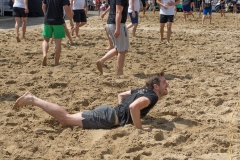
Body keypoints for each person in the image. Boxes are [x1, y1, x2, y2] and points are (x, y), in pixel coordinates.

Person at [12, 72, 169, 131]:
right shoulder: (153, 96)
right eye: (164, 83)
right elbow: (134, 106)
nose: (167, 85)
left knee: (67, 119)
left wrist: (122, 112)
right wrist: (139, 127)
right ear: (155, 86)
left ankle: (32, 99)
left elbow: (121, 96)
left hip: (109, 112)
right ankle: (32, 99)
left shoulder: (141, 90)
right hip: (107, 117)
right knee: (65, 119)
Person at [96, 0, 129, 75]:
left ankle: (101, 61)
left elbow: (112, 6)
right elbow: (118, 11)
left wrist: (104, 13)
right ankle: (120, 72)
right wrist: (118, 28)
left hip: (110, 23)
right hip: (117, 24)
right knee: (122, 50)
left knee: (118, 48)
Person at [42, 0, 74, 66]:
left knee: (45, 40)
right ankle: (56, 62)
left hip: (47, 21)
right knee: (58, 42)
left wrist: (46, 15)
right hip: (58, 21)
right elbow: (67, 9)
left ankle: (44, 54)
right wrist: (71, 20)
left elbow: (43, 7)